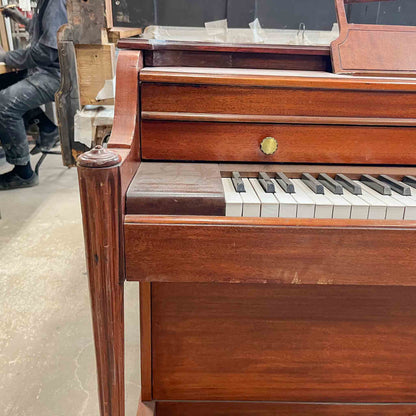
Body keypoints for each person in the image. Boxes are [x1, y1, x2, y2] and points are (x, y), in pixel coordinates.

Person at [0, 0, 67, 190]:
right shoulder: (46, 2)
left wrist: (6, 58)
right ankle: (47, 128)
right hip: (47, 70)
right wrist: (20, 18)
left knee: (4, 104)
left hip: (56, 75)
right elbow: (44, 31)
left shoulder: (55, 2)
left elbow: (46, 52)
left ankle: (23, 173)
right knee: (5, 81)